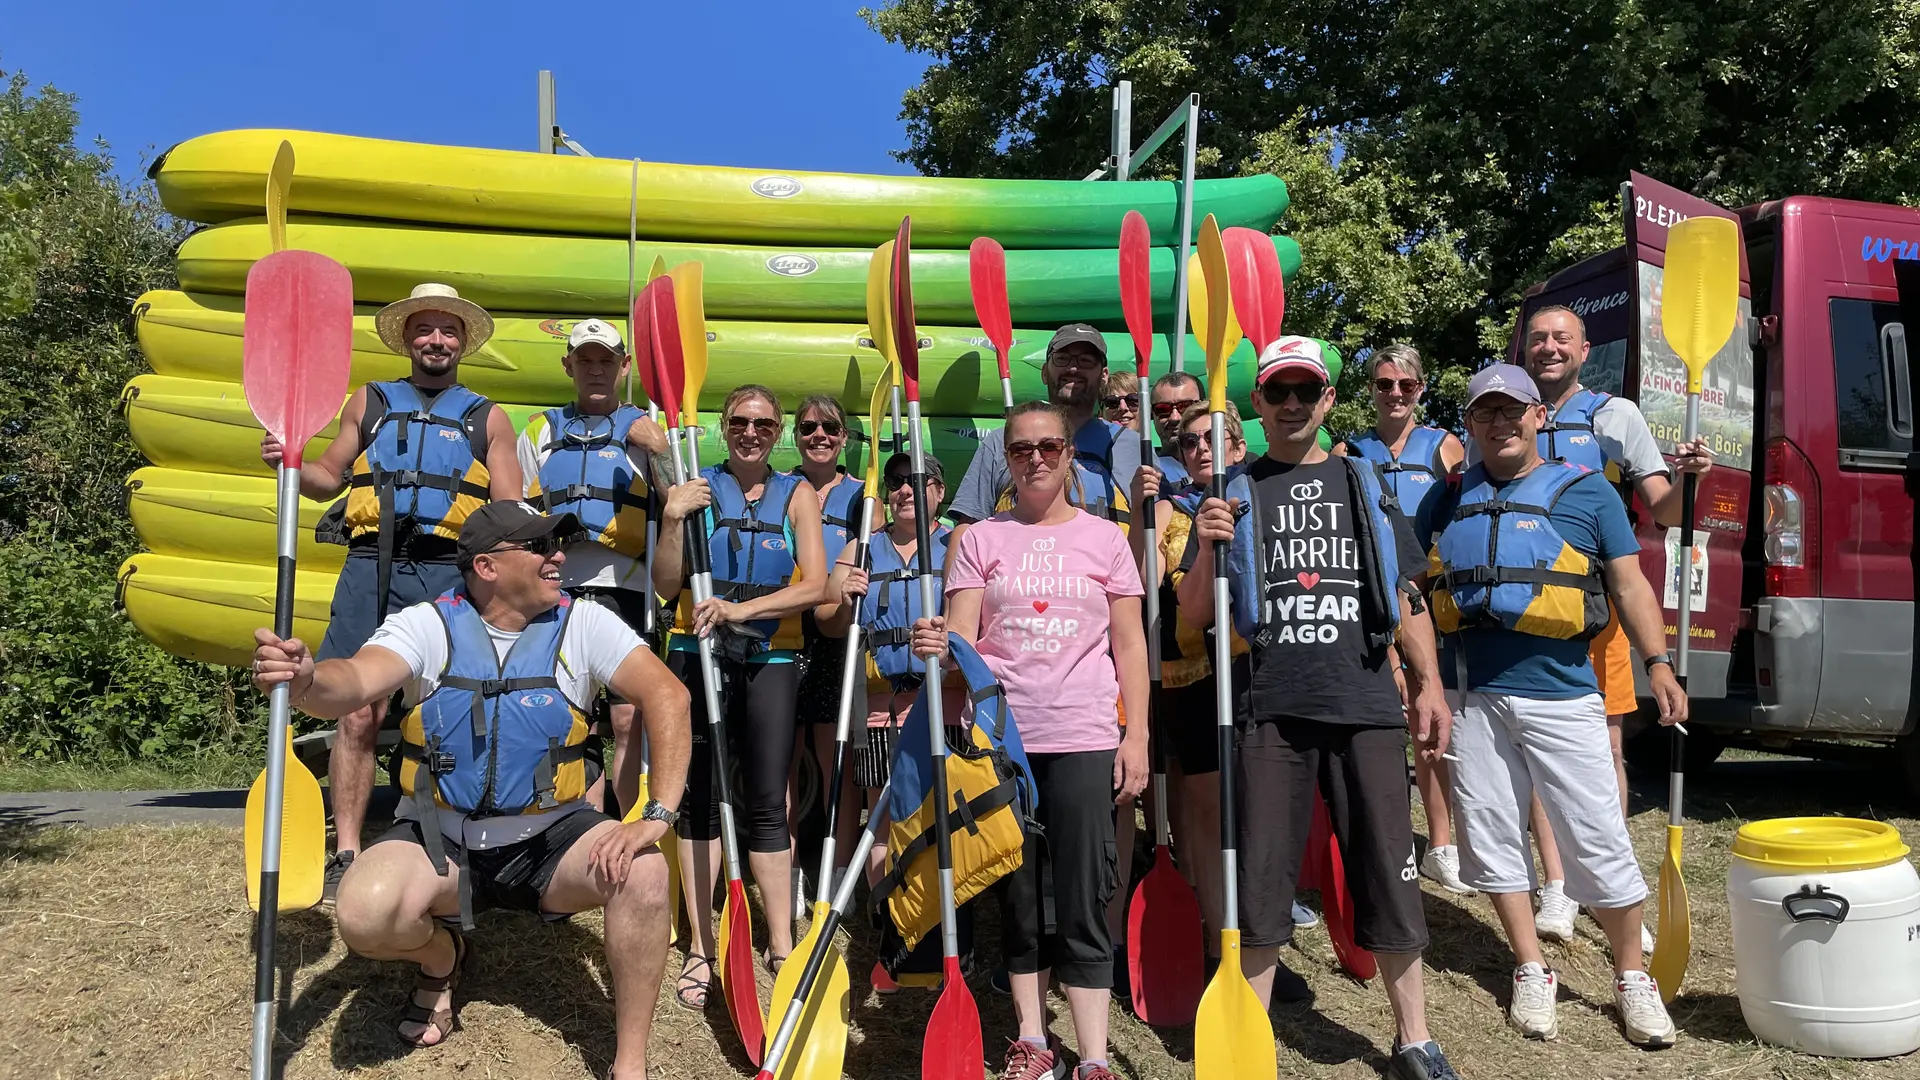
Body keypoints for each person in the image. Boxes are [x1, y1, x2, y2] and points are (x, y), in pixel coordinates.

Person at [248, 501, 690, 1079]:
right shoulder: (428, 623)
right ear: (486, 566)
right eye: (539, 546)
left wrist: (657, 813)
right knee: (363, 912)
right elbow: (351, 681)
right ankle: (442, 957)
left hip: (551, 840)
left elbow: (669, 697)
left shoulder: (584, 622)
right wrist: (307, 678)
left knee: (647, 873)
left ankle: (630, 1063)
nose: (557, 556)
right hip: (443, 840)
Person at [1179, 336, 1462, 1080]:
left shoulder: (1361, 480)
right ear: (1260, 404)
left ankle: (1414, 1040)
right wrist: (1208, 549)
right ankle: (1248, 1047)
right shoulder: (1233, 491)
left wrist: (1428, 682)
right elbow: (1189, 617)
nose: (1294, 404)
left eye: (1308, 391)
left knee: (1389, 872)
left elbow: (1405, 596)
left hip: (1365, 702)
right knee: (1265, 880)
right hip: (1270, 709)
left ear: (1329, 400)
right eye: (1280, 393)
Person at [1430, 363, 1685, 1048]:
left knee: (1597, 836)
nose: (1500, 421)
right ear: (1472, 423)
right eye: (1486, 411)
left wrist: (1657, 663)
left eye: (1513, 409)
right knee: (1488, 837)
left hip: (1565, 694)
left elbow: (1630, 588)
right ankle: (1530, 965)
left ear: (1538, 416)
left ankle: (1632, 976)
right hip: (1472, 698)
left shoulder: (1589, 494)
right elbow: (1412, 587)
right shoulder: (1446, 497)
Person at [260, 282, 522, 905]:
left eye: (448, 331)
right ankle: (346, 848)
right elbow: (328, 476)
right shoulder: (372, 401)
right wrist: (291, 459)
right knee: (358, 708)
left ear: (463, 342)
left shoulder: (488, 416)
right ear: (408, 338)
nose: (437, 340)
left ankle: (441, 840)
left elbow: (509, 506)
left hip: (447, 569)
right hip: (371, 565)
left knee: (443, 708)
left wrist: (529, 555)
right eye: (425, 330)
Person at [912, 401, 1150, 1080]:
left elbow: (1131, 645)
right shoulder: (980, 539)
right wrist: (938, 645)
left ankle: (1096, 1055)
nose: (1036, 458)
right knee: (1018, 894)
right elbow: (960, 641)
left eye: (1049, 446)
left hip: (1083, 733)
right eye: (1021, 450)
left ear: (1070, 453)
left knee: (1082, 891)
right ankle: (1032, 1040)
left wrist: (1136, 737)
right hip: (1000, 740)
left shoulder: (1105, 539)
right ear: (1006, 462)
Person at [1509, 307, 1713, 948]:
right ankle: (1558, 886)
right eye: (1538, 338)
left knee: (1607, 750)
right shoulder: (1506, 410)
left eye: (1560, 339)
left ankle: (1609, 884)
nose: (1548, 348)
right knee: (1541, 754)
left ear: (1583, 349)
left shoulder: (1613, 415)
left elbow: (1668, 512)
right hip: (1529, 614)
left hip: (1597, 613)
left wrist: (1690, 479)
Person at [649, 384, 827, 1006]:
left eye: (763, 424)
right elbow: (667, 582)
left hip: (769, 655)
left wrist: (739, 609)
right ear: (724, 428)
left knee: (765, 801)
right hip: (694, 650)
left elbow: (815, 587)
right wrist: (673, 519)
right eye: (740, 422)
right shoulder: (696, 488)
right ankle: (701, 943)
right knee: (698, 797)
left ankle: (780, 940)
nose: (751, 432)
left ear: (777, 433)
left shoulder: (797, 494)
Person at [817, 451, 966, 993]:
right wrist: (842, 597)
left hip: (940, 705)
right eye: (898, 483)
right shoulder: (859, 550)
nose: (906, 491)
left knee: (937, 820)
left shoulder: (957, 546)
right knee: (882, 819)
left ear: (939, 493)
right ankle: (893, 931)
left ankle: (940, 931)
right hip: (878, 704)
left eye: (918, 482)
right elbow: (829, 624)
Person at [516, 318, 670, 815]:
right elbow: (520, 512)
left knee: (627, 720)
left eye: (607, 360)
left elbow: (680, 502)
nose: (597, 370)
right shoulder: (539, 431)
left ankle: (628, 828)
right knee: (563, 716)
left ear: (625, 366)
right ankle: (569, 825)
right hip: (557, 589)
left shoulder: (646, 431)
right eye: (586, 360)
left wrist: (662, 452)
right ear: (569, 366)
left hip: (625, 588)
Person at [1342, 344, 1471, 895]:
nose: (1395, 393)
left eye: (1406, 385)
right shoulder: (1350, 450)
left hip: (1425, 602)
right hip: (1369, 601)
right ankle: (1383, 835)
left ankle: (1441, 843)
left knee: (1429, 713)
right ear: (1370, 389)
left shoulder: (1443, 446)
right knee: (1378, 722)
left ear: (1420, 389)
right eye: (1384, 384)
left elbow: (1464, 515)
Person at [1139, 401, 1251, 964]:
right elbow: (1149, 583)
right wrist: (1146, 515)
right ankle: (1217, 939)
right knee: (1204, 810)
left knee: (1241, 810)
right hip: (1190, 678)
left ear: (1238, 445)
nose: (1201, 448)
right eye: (1189, 442)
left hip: (1254, 674)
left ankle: (1246, 930)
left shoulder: (1261, 498)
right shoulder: (1167, 512)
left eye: (1214, 437)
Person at [948, 324, 1142, 541]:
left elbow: (1155, 533)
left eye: (1086, 360)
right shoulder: (1001, 442)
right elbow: (967, 528)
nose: (1073, 368)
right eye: (1062, 359)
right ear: (1044, 372)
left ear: (1104, 376)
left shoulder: (1131, 445)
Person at [787, 394, 866, 910]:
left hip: (839, 637)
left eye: (830, 429)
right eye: (809, 427)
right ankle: (789, 866)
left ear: (843, 439)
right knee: (784, 759)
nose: (820, 435)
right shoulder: (781, 489)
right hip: (781, 632)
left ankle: (836, 869)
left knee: (833, 755)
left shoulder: (866, 498)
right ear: (796, 435)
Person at [1148, 371, 1206, 486]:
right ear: (1152, 414)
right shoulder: (1145, 470)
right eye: (1163, 409)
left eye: (1185, 407)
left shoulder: (1236, 466)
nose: (1175, 417)